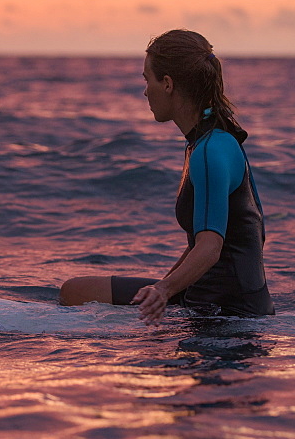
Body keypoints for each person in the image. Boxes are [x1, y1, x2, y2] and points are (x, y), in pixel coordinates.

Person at [59, 29, 274, 325]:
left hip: (228, 310)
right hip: (204, 295)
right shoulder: (206, 142)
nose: (146, 91)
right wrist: (161, 287)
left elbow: (210, 248)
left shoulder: (211, 150)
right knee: (75, 290)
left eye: (148, 80)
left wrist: (163, 291)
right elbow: (198, 244)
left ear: (168, 84)